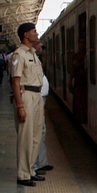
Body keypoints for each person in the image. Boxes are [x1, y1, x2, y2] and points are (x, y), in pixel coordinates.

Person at [11, 22, 44, 187]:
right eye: (34, 31)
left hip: (37, 96)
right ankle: (23, 174)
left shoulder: (33, 54)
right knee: (26, 137)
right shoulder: (19, 55)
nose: (37, 34)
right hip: (26, 97)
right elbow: (15, 82)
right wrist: (20, 106)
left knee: (36, 135)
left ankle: (31, 170)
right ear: (26, 34)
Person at [32, 41, 53, 175]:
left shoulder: (35, 58)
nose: (41, 47)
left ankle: (42, 162)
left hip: (40, 100)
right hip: (35, 100)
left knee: (42, 132)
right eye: (38, 43)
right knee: (35, 134)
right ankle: (34, 166)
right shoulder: (25, 57)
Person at [69, 38, 87, 123]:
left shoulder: (86, 55)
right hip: (78, 82)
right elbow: (73, 68)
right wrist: (70, 81)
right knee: (77, 101)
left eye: (83, 43)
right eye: (81, 43)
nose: (82, 45)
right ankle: (78, 118)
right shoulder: (76, 56)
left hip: (85, 82)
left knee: (83, 101)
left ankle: (83, 117)